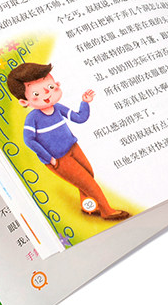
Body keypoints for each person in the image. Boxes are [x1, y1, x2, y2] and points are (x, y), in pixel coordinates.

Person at [7, 62, 130, 221]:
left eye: (50, 87)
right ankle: (107, 211)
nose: (47, 94)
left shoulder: (57, 107)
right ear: (25, 102)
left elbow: (79, 118)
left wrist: (85, 102)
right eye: (36, 93)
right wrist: (49, 158)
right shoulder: (33, 118)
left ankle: (87, 206)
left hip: (72, 147)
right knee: (87, 182)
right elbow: (29, 140)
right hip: (58, 158)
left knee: (88, 173)